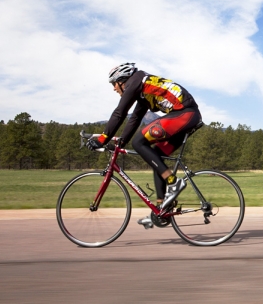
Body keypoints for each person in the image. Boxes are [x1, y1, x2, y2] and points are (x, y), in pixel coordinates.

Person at [86, 62, 202, 228]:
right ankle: (161, 209)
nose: (114, 89)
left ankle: (173, 182)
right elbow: (134, 119)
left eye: (114, 84)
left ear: (122, 80)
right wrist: (120, 142)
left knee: (139, 142)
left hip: (184, 114)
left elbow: (120, 113)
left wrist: (103, 138)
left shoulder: (136, 82)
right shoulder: (142, 89)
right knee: (156, 157)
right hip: (186, 116)